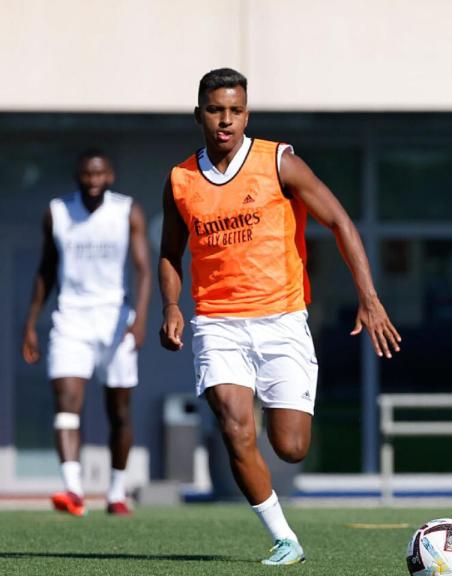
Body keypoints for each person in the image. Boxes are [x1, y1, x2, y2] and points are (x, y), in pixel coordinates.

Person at [158, 68, 401, 566]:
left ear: (247, 114)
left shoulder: (279, 162)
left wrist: (369, 296)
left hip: (282, 319)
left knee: (290, 446)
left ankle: (278, 415)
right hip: (217, 322)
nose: (226, 120)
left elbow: (339, 221)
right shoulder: (181, 179)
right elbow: (169, 251)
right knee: (235, 427)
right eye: (215, 110)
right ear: (199, 114)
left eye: (235, 110)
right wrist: (171, 306)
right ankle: (283, 538)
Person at [22, 149, 151, 517]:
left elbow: (143, 269)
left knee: (119, 411)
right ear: (78, 176)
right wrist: (31, 323)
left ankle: (116, 491)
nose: (93, 180)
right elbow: (46, 270)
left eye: (100, 174)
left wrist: (141, 318)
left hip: (115, 319)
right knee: (66, 403)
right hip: (71, 318)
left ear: (110, 176)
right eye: (87, 174)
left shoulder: (127, 211)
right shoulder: (58, 212)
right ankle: (73, 490)